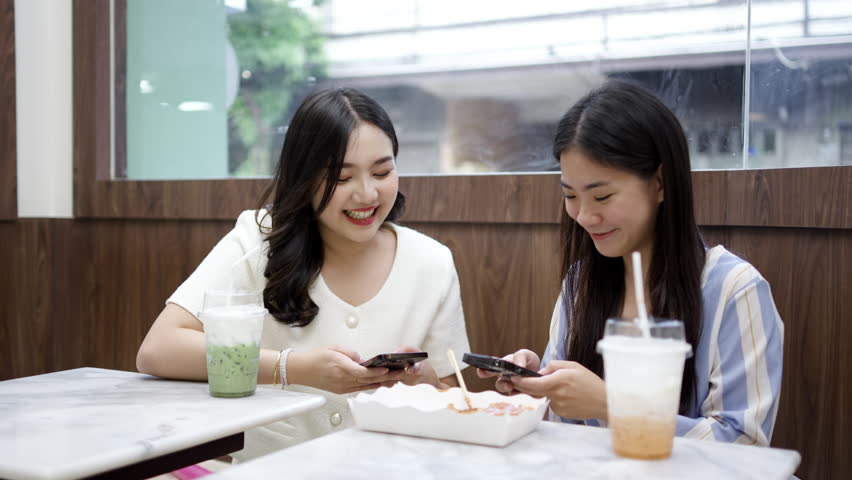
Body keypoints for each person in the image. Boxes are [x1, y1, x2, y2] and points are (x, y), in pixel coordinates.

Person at [136, 87, 470, 460]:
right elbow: (158, 349)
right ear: (303, 178)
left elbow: (453, 397)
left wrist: (424, 382)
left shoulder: (431, 262)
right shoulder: (259, 237)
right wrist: (292, 368)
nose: (367, 194)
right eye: (342, 179)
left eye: (382, 171)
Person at [480, 80, 784, 446]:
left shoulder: (734, 290)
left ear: (660, 182)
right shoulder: (580, 285)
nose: (585, 216)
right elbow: (562, 429)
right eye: (570, 195)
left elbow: (744, 446)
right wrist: (537, 386)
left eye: (602, 195)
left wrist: (614, 405)